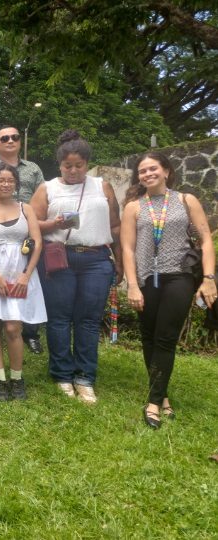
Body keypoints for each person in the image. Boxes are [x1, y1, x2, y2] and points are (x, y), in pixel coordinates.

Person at [121, 152, 216, 428]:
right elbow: (127, 248)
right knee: (149, 337)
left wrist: (208, 278)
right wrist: (132, 286)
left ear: (166, 171)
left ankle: (153, 402)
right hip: (147, 279)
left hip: (179, 277)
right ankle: (161, 393)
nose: (147, 174)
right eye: (142, 171)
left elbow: (206, 238)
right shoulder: (134, 207)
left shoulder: (186, 200)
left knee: (165, 338)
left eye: (153, 169)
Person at [30, 130, 122, 404]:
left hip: (96, 259)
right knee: (59, 319)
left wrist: (120, 261)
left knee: (89, 320)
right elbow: (32, 225)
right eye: (67, 166)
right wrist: (55, 224)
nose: (73, 171)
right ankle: (61, 373)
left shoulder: (102, 186)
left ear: (87, 163)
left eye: (78, 165)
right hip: (60, 257)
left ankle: (85, 376)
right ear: (59, 164)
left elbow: (115, 226)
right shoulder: (47, 188)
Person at [0, 163, 46, 401]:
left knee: (14, 327)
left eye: (10, 180)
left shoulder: (26, 209)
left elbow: (36, 242)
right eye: (0, 180)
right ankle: (0, 380)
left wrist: (26, 275)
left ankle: (17, 378)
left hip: (19, 274)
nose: (5, 184)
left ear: (16, 184)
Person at [0, 125, 47, 354]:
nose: (10, 141)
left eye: (15, 137)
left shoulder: (33, 169)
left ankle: (31, 334)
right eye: (4, 138)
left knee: (22, 299)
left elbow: (43, 197)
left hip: (24, 230)